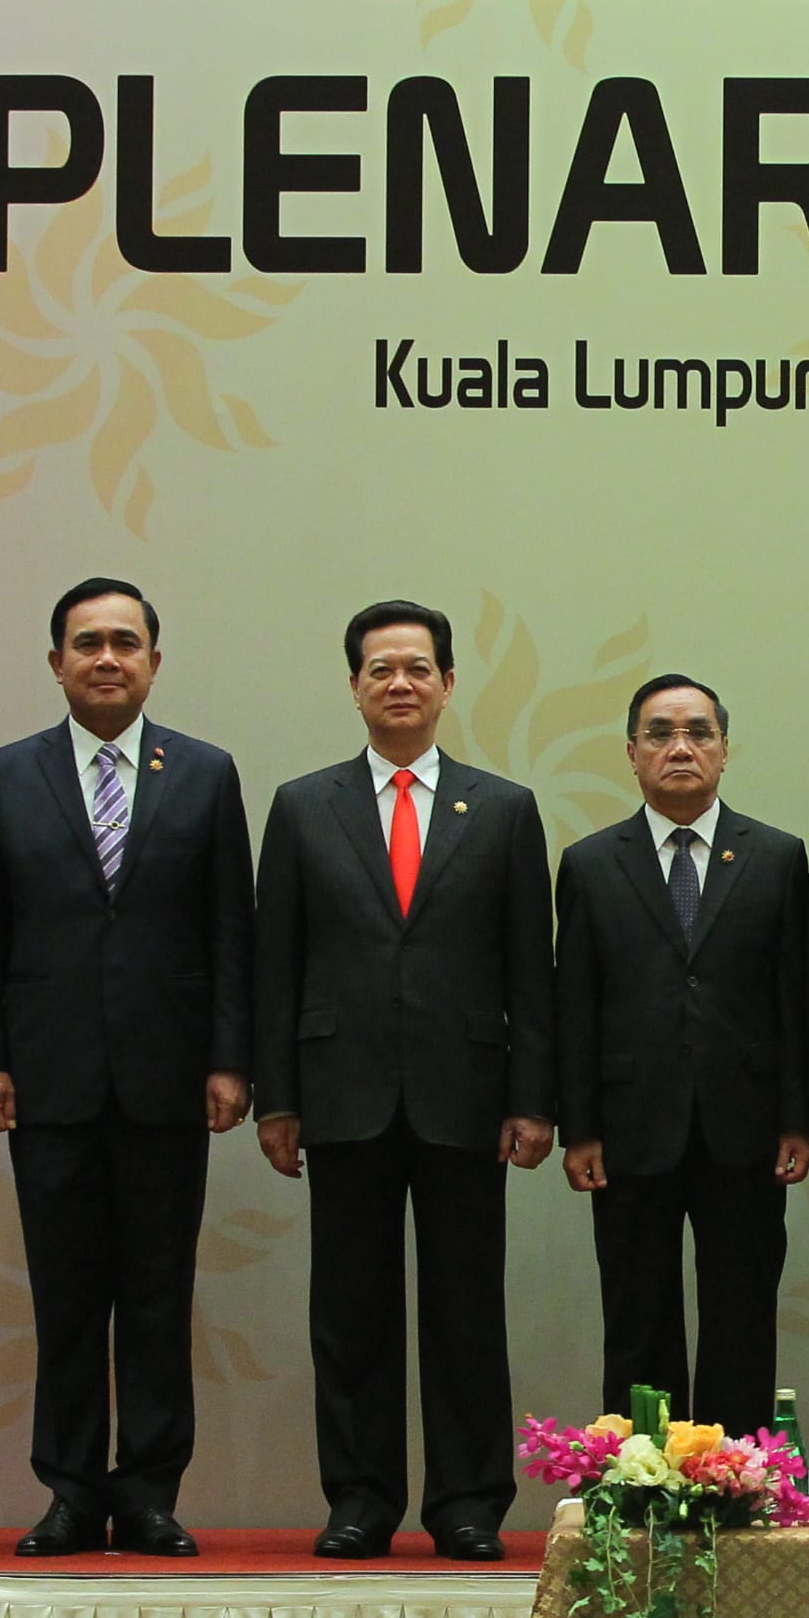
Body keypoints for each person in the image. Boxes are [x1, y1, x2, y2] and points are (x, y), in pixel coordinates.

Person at [0, 579, 254, 1559]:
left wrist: (229, 1058)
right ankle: (73, 1492)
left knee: (159, 1295)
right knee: (67, 1295)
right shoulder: (3, 776)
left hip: (170, 1081)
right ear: (57, 663)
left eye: (127, 641)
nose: (108, 657)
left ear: (154, 662)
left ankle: (153, 1493)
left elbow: (229, 932)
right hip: (48, 1081)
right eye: (88, 642)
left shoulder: (206, 774)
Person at [252, 599, 553, 1561]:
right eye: (380, 669)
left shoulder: (504, 809)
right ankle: (360, 1500)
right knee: (350, 1314)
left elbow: (528, 971)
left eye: (418, 668)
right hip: (342, 1096)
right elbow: (277, 962)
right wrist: (279, 1097)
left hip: (467, 1099)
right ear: (354, 687)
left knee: (467, 1311)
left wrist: (532, 1097)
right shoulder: (304, 806)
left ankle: (467, 1503)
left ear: (449, 684)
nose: (400, 684)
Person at [555, 674, 809, 1433]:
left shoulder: (774, 856)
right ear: (632, 753)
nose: (680, 747)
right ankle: (647, 1483)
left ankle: (735, 1478)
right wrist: (581, 1128)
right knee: (637, 1319)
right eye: (661, 733)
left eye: (698, 732)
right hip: (630, 1129)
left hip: (749, 1128)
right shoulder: (592, 863)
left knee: (742, 1316)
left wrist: (796, 1118)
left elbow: (796, 1000)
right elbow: (572, 1004)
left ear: (725, 751)